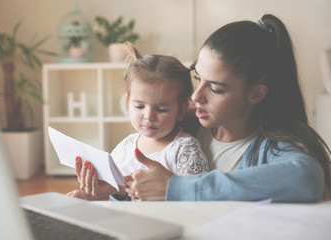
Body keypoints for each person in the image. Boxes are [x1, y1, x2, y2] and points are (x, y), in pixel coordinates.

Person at [125, 14, 331, 202]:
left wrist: (178, 188)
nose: (196, 96)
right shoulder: (180, 125)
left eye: (215, 89)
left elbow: (307, 177)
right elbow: (142, 193)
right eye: (198, 78)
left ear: (256, 94)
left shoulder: (272, 149)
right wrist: (114, 192)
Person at [67, 43, 209, 201]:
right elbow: (119, 193)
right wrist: (90, 194)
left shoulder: (185, 149)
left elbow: (195, 197)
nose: (148, 116)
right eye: (139, 106)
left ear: (181, 110)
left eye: (161, 109)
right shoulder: (124, 148)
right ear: (129, 104)